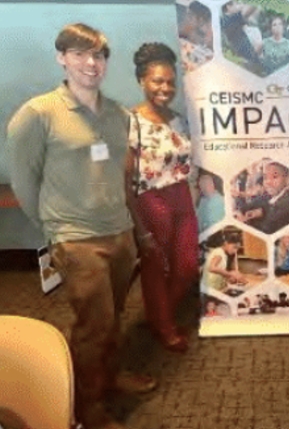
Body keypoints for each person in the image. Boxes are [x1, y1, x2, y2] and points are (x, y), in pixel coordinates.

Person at [7, 23, 156, 429]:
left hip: (119, 232)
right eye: (79, 53)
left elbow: (116, 175)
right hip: (76, 239)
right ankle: (85, 406)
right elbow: (23, 179)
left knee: (114, 315)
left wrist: (133, 229)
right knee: (93, 325)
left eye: (99, 55)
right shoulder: (38, 113)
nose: (91, 63)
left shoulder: (117, 114)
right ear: (62, 57)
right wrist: (54, 228)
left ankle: (109, 377)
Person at [125, 42, 199, 354]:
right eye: (157, 81)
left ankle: (158, 316)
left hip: (181, 195)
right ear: (141, 80)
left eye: (170, 81)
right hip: (151, 199)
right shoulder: (130, 121)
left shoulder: (179, 119)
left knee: (187, 265)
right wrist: (138, 225)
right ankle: (164, 325)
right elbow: (125, 178)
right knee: (156, 265)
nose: (165, 88)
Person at [257, 161, 289, 234]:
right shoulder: (279, 197)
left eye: (274, 177)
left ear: (287, 179)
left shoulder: (286, 204)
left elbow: (268, 229)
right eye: (265, 178)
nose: (268, 182)